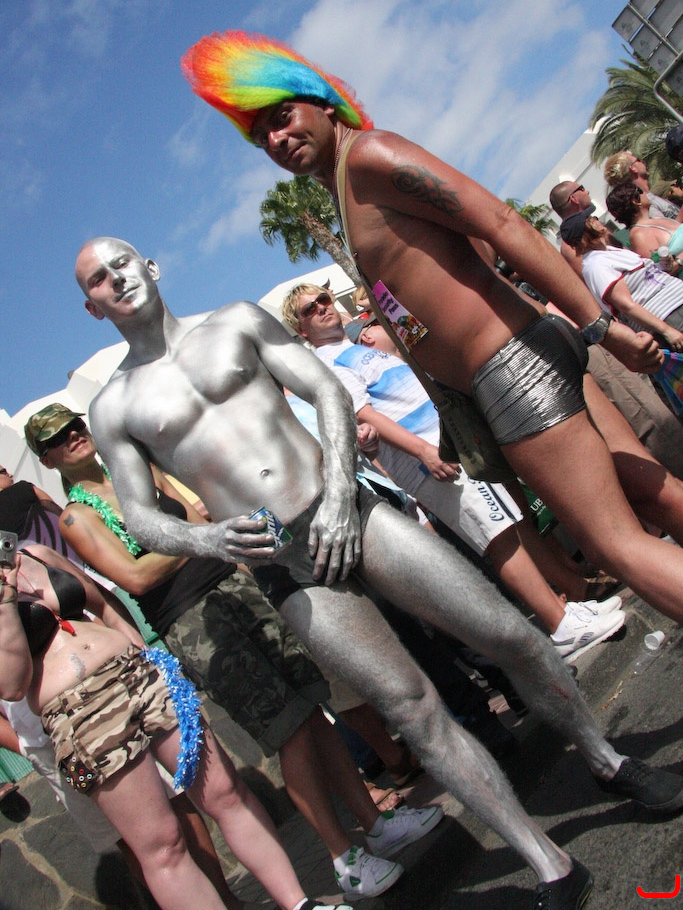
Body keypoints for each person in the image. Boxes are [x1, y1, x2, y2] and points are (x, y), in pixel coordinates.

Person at [76, 235, 683, 910]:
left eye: (121, 263)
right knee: (411, 708)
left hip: (350, 511)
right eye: (98, 279)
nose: (116, 279)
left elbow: (326, 391)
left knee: (505, 632)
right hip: (287, 565)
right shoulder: (114, 406)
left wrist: (340, 488)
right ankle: (549, 863)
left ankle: (607, 761)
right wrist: (207, 537)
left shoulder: (236, 321)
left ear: (150, 265)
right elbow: (140, 515)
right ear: (92, 307)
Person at [180, 28, 683, 626]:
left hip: (512, 371)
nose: (277, 138)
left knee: (614, 544)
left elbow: (499, 221)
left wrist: (601, 325)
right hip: (513, 363)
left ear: (321, 101)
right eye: (261, 136)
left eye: (282, 117)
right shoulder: (349, 188)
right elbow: (456, 266)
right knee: (649, 488)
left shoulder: (368, 157)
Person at [23, 402, 437, 898]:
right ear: (46, 459)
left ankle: (374, 823)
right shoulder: (77, 517)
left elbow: (195, 515)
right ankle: (341, 856)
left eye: (74, 426)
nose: (72, 436)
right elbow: (133, 576)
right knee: (287, 729)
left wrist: (199, 541)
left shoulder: (138, 473)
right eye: (57, 439)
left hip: (233, 585)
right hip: (190, 619)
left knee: (312, 706)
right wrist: (199, 538)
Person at [281, 281, 625, 662]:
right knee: (497, 536)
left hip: (444, 442)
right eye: (309, 309)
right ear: (301, 329)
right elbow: (365, 415)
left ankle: (562, 610)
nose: (322, 308)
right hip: (427, 454)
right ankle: (559, 624)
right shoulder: (328, 365)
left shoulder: (353, 349)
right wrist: (424, 451)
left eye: (323, 299)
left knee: (507, 526)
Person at [0, 539, 339, 910]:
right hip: (82, 715)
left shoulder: (32, 554)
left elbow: (103, 604)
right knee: (163, 844)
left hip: (137, 673)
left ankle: (299, 904)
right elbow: (12, 684)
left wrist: (140, 649)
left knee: (224, 790)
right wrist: (6, 600)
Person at [0, 697, 242, 909]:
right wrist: (27, 746)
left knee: (174, 803)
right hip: (51, 748)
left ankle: (227, 901)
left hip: (100, 708)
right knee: (126, 836)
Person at [561, 205, 683, 351]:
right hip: (669, 316)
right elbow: (626, 306)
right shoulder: (596, 266)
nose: (597, 220)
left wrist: (663, 264)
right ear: (586, 233)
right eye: (591, 220)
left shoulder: (609, 252)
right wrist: (667, 331)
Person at [605, 183, 682, 269]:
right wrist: (680, 260)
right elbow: (662, 271)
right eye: (640, 191)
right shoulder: (639, 235)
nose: (645, 193)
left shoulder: (655, 219)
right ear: (635, 201)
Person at [603, 151, 683, 223]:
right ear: (633, 168)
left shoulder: (649, 198)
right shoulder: (645, 204)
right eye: (638, 160)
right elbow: (668, 230)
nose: (642, 162)